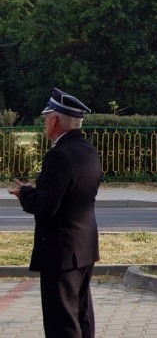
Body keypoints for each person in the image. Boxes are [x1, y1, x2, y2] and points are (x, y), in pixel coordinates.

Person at [9, 88, 101, 338]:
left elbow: (47, 205)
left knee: (62, 322)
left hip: (60, 250)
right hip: (84, 245)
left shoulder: (59, 155)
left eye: (46, 119)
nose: (44, 125)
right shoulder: (89, 151)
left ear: (55, 120)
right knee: (82, 315)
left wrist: (26, 193)